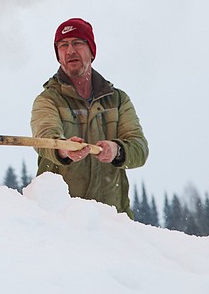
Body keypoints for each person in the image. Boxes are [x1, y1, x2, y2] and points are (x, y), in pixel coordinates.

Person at [30, 18, 148, 216]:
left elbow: (140, 149)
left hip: (113, 220)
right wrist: (64, 149)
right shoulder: (48, 100)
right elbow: (44, 139)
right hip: (60, 221)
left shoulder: (117, 100)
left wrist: (117, 150)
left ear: (91, 51)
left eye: (77, 43)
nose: (70, 51)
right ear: (58, 55)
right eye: (63, 45)